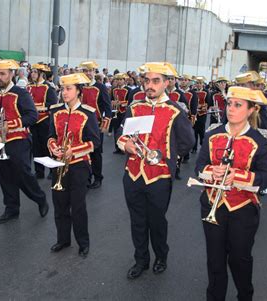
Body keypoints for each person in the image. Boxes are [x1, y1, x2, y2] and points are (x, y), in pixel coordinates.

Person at [195, 86, 267, 301]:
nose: (230, 109)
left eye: (237, 105)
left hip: (243, 209)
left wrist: (238, 176)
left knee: (239, 259)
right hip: (212, 203)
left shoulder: (260, 139)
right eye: (229, 104)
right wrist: (212, 171)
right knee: (215, 260)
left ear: (251, 110)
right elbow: (199, 166)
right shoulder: (213, 135)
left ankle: (245, 296)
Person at [116, 62, 195, 279]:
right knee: (137, 220)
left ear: (167, 83)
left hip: (159, 177)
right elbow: (121, 134)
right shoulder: (134, 107)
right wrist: (126, 145)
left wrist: (167, 159)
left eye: (155, 81)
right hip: (132, 174)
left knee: (157, 221)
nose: (149, 85)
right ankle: (141, 259)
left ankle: (161, 256)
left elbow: (188, 141)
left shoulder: (175, 110)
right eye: (147, 81)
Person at [0, 60, 49, 224]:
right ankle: (11, 208)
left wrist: (11, 124)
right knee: (4, 176)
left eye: (2, 74)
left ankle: (40, 199)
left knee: (23, 175)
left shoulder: (21, 93)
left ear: (11, 74)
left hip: (18, 140)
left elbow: (32, 116)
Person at [47, 72, 101, 258]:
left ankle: (83, 243)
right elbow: (50, 135)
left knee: (78, 207)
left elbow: (95, 142)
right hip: (58, 163)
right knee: (59, 204)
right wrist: (54, 147)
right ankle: (63, 240)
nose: (64, 92)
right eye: (63, 89)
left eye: (69, 89)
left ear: (79, 91)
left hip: (79, 166)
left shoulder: (88, 113)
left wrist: (73, 151)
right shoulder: (55, 111)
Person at [79, 60, 112, 189]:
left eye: (90, 70)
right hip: (81, 125)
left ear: (94, 72)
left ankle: (98, 177)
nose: (88, 73)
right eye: (85, 70)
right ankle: (86, 178)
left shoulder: (101, 87)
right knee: (83, 152)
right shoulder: (79, 87)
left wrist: (105, 125)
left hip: (96, 125)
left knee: (96, 153)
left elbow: (107, 108)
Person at [27, 63, 58, 179]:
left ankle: (52, 170)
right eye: (32, 71)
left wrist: (39, 107)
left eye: (35, 72)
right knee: (35, 148)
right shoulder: (28, 87)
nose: (33, 74)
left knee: (47, 147)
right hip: (32, 122)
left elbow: (53, 105)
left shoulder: (48, 88)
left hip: (44, 120)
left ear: (41, 74)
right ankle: (39, 171)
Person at [111, 73, 130, 154]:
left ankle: (123, 147)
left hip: (124, 112)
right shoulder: (113, 89)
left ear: (124, 80)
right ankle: (117, 147)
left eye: (120, 80)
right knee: (115, 130)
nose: (119, 81)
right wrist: (113, 102)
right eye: (117, 80)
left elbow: (129, 101)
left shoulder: (128, 89)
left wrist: (121, 103)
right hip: (115, 112)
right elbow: (111, 99)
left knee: (123, 130)